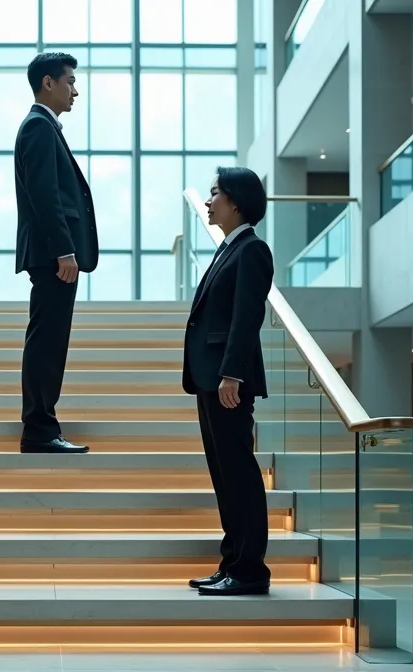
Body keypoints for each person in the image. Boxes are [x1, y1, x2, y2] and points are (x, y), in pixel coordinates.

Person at [182, 167, 275, 596]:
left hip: (226, 380)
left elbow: (246, 317)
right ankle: (232, 562)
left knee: (238, 473)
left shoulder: (252, 251)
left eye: (215, 193)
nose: (208, 201)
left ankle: (250, 570)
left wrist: (231, 373)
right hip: (211, 377)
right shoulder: (228, 249)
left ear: (236, 202)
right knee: (224, 474)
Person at [13, 52, 100, 455]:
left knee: (50, 339)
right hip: (54, 256)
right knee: (48, 341)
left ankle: (43, 426)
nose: (75, 90)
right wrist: (65, 250)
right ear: (48, 83)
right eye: (70, 81)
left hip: (54, 255)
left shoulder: (44, 127)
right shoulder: (38, 127)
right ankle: (40, 430)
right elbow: (44, 194)